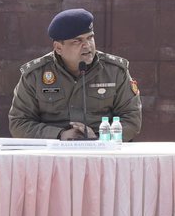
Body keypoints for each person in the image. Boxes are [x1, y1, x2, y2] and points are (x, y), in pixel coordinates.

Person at [8, 8, 142, 140]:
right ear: (59, 48)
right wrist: (59, 134)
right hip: (53, 152)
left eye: (90, 38)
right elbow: (19, 122)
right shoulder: (35, 75)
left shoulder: (115, 71)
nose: (87, 45)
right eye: (77, 41)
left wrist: (100, 138)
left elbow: (131, 118)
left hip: (102, 150)